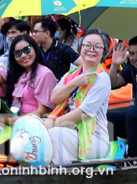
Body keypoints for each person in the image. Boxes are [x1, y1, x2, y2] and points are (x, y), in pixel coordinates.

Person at [44, 29, 112, 165]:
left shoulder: (102, 78)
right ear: (80, 48)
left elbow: (85, 112)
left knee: (56, 134)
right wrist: (75, 83)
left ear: (103, 52)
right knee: (34, 123)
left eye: (97, 47)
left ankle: (58, 175)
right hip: (70, 128)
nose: (91, 50)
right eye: (87, 45)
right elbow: (54, 98)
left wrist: (53, 123)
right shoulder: (73, 74)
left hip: (93, 138)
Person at [0, 25, 57, 117]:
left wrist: (15, 120)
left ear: (35, 49)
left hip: (35, 124)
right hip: (16, 119)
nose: (23, 55)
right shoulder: (18, 73)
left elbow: (42, 112)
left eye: (27, 50)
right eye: (18, 53)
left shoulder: (44, 74)